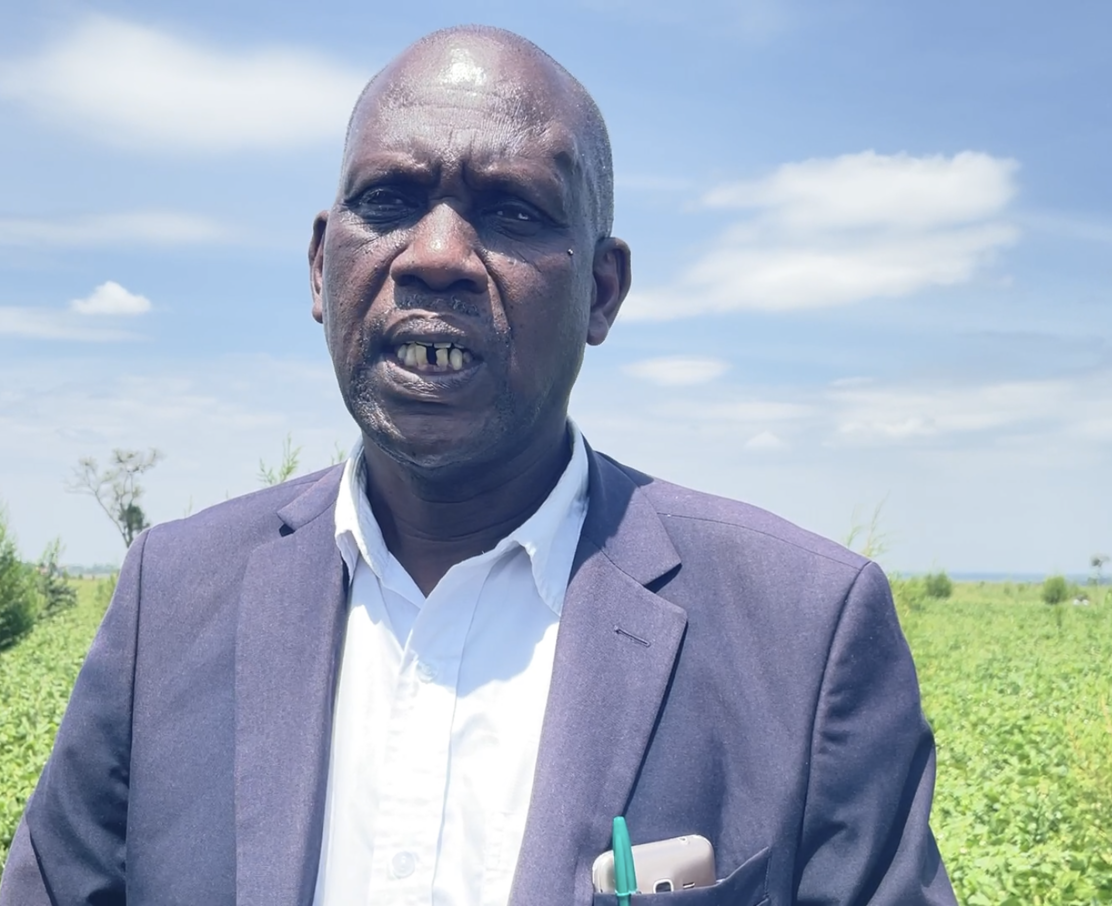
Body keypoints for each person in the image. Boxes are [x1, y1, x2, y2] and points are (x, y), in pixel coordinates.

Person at [0, 25, 956, 906]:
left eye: (511, 210)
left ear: (603, 292)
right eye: (389, 201)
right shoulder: (171, 599)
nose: (440, 255)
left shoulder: (802, 634)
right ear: (321, 269)